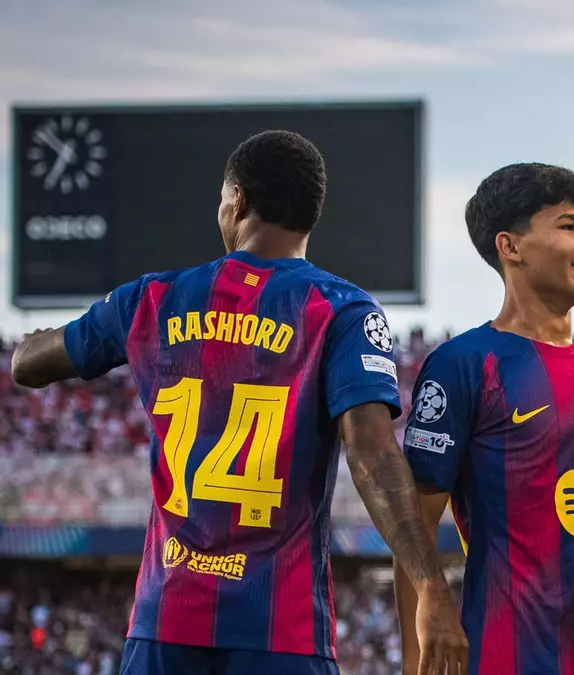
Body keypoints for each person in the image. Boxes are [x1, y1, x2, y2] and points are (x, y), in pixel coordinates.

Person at [8, 130, 467, 675]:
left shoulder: (152, 298)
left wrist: (36, 338)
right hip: (281, 631)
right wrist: (430, 585)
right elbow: (372, 453)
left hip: (164, 624)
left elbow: (27, 365)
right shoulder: (341, 309)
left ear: (238, 200)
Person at [393, 163, 574, 675]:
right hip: (500, 657)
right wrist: (415, 660)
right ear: (510, 247)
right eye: (569, 226)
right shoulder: (464, 364)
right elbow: (414, 524)